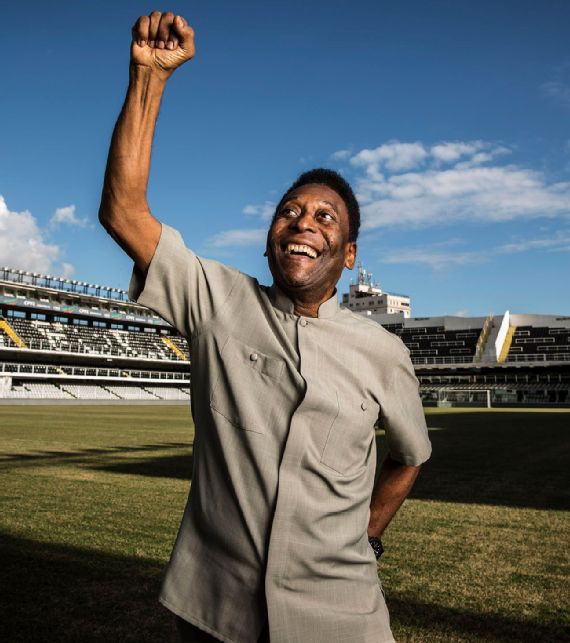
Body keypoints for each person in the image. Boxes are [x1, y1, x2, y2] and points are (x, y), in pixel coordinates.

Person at [99, 11, 432, 643]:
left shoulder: (383, 352)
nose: (304, 222)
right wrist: (148, 78)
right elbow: (123, 211)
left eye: (326, 217)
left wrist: (367, 535)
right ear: (270, 238)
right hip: (215, 610)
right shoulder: (217, 300)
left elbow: (410, 456)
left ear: (350, 254)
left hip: (341, 615)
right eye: (289, 212)